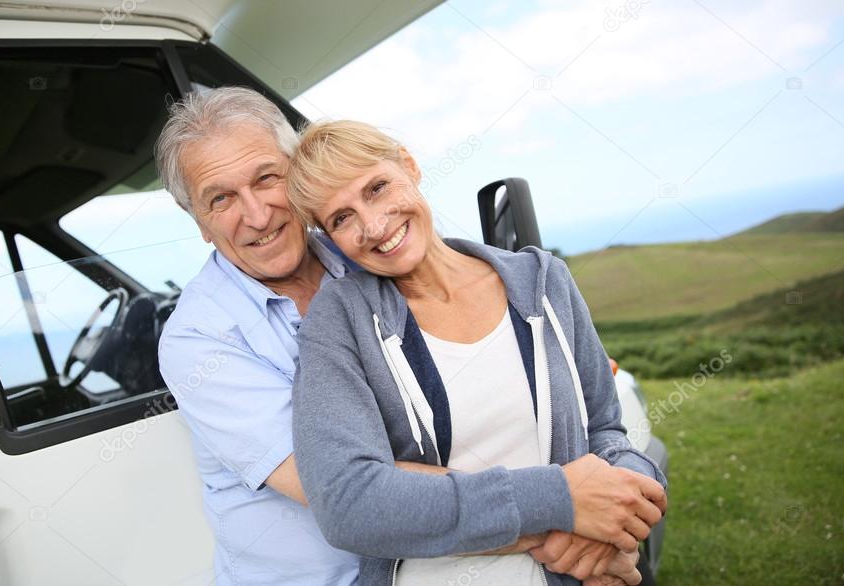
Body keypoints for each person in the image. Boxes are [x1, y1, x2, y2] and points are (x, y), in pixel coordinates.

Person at [286, 120, 669, 586]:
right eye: (341, 219)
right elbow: (347, 503)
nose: (373, 225)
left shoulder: (543, 281)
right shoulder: (338, 320)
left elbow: (606, 430)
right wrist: (560, 504)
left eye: (377, 188)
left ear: (409, 165)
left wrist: (619, 510)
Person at [154, 87, 361, 585]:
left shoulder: (362, 252)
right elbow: (339, 486)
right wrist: (541, 515)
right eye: (220, 198)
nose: (257, 215)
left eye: (267, 177)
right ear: (199, 223)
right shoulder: (196, 340)